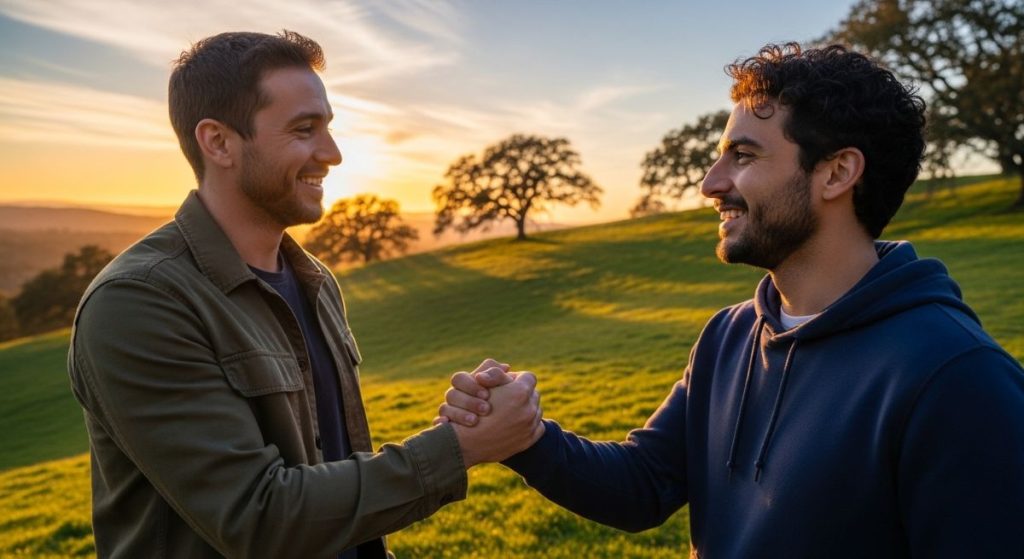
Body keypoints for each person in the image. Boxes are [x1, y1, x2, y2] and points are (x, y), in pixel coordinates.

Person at [439, 43, 1024, 558]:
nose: (710, 183)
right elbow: (644, 485)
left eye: (743, 156)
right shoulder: (730, 335)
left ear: (837, 173)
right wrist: (527, 437)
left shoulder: (956, 378)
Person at [67, 30, 543, 559]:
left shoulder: (313, 279)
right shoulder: (138, 302)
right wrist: (461, 448)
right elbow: (258, 518)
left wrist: (463, 422)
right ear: (218, 142)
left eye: (329, 128)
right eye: (303, 130)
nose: (332, 154)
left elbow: (327, 465)